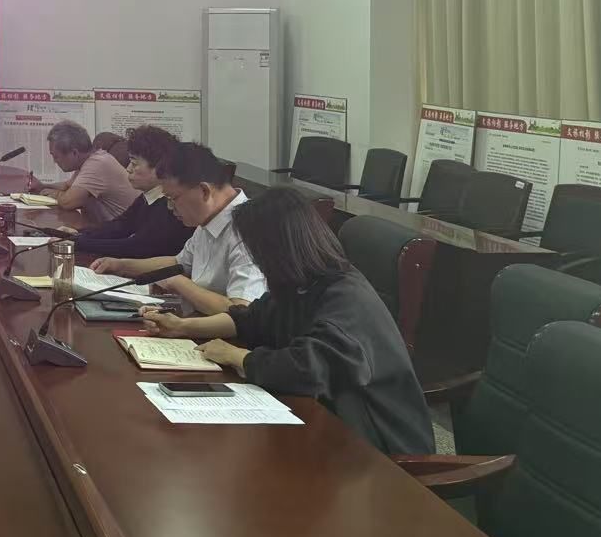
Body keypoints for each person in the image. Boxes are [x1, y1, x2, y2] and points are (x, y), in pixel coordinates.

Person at [137, 188, 435, 455]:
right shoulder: (302, 283)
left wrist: (236, 355)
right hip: (327, 420)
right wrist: (183, 327)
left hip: (377, 445)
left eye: (257, 250)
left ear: (279, 249)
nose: (257, 260)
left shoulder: (346, 298)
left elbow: (310, 368)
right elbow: (253, 318)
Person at [89, 141, 267, 315]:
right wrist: (120, 265)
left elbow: (243, 312)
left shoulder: (249, 231)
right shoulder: (211, 217)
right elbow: (178, 262)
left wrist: (179, 283)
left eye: (172, 198)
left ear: (204, 191)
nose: (170, 207)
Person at [73, 126, 188, 259]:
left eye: (134, 163)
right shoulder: (148, 196)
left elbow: (136, 247)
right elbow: (120, 226)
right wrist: (77, 234)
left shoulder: (169, 205)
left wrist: (80, 243)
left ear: (159, 167)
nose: (128, 169)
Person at [25, 120, 137, 227]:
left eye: (56, 156)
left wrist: (52, 194)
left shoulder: (97, 164)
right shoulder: (91, 160)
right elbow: (67, 185)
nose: (55, 161)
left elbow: (68, 202)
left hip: (125, 235)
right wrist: (42, 186)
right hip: (108, 229)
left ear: (74, 153)